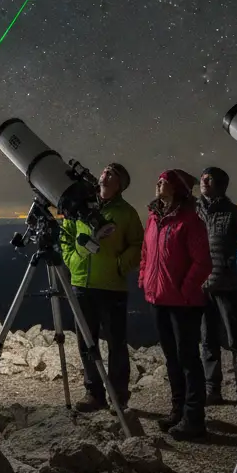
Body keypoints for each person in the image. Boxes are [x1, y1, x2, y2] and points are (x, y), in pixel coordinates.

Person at [61, 162, 143, 413]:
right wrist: (76, 262)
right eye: (105, 171)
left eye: (113, 174)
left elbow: (138, 244)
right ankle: (93, 392)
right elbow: (65, 238)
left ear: (121, 185)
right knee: (87, 343)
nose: (105, 175)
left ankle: (118, 395)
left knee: (116, 343)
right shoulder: (80, 206)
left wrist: (119, 266)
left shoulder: (126, 212)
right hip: (82, 283)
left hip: (111, 286)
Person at [139, 169, 211, 440]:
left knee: (188, 359)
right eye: (158, 180)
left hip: (184, 303)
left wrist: (185, 289)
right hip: (158, 298)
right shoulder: (154, 217)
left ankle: (194, 418)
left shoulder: (190, 220)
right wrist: (144, 278)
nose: (158, 184)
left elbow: (203, 261)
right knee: (172, 358)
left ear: (178, 188)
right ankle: (177, 410)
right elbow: (147, 253)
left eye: (165, 181)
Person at [198, 166, 237, 416]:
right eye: (202, 177)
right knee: (208, 340)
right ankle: (212, 389)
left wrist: (234, 265)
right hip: (202, 286)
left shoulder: (234, 213)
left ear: (221, 184)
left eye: (209, 178)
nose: (204, 181)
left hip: (230, 285)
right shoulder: (196, 212)